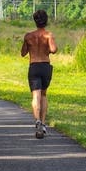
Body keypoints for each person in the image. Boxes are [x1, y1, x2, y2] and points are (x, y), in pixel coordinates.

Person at [21, 9, 57, 139]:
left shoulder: (28, 36)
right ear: (46, 21)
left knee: (35, 96)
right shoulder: (48, 35)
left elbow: (23, 53)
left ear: (35, 21)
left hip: (34, 66)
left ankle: (37, 121)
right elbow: (53, 50)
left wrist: (29, 46)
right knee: (43, 94)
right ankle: (43, 122)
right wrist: (47, 47)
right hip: (45, 66)